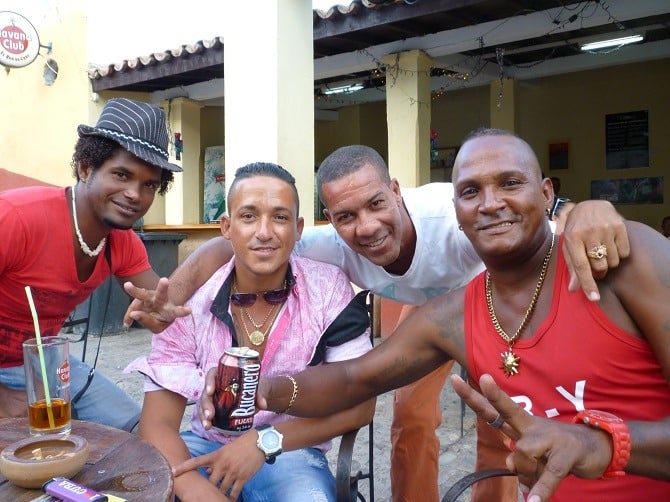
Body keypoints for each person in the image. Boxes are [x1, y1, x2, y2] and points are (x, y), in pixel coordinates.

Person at [125, 145, 629, 501]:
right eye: (345, 216)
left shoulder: (451, 214)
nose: (364, 227)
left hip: (495, 303)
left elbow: (533, 215)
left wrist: (585, 209)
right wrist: (179, 291)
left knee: (504, 426)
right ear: (326, 221)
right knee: (411, 419)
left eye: (376, 204)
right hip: (430, 318)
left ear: (395, 191)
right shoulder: (320, 247)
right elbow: (231, 245)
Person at [241, 128, 670, 501]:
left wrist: (603, 444)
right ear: (457, 211)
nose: (488, 203)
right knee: (412, 417)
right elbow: (356, 378)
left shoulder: (622, 261)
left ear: (546, 194)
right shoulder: (450, 317)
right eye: (470, 192)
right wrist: (259, 390)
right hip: (449, 314)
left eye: (510, 183)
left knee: (499, 435)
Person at [125, 162, 375, 501]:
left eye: (280, 217)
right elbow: (157, 423)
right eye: (248, 216)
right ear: (226, 227)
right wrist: (198, 492)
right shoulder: (187, 300)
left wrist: (264, 441)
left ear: (298, 228)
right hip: (204, 448)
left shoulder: (328, 289)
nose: (264, 231)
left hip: (291, 450)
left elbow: (361, 407)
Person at [0, 98, 185, 432]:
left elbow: (157, 298)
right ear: (86, 168)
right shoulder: (16, 219)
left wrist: (162, 314)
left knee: (137, 434)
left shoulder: (121, 240)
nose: (135, 194)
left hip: (47, 364)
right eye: (121, 174)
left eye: (149, 185)